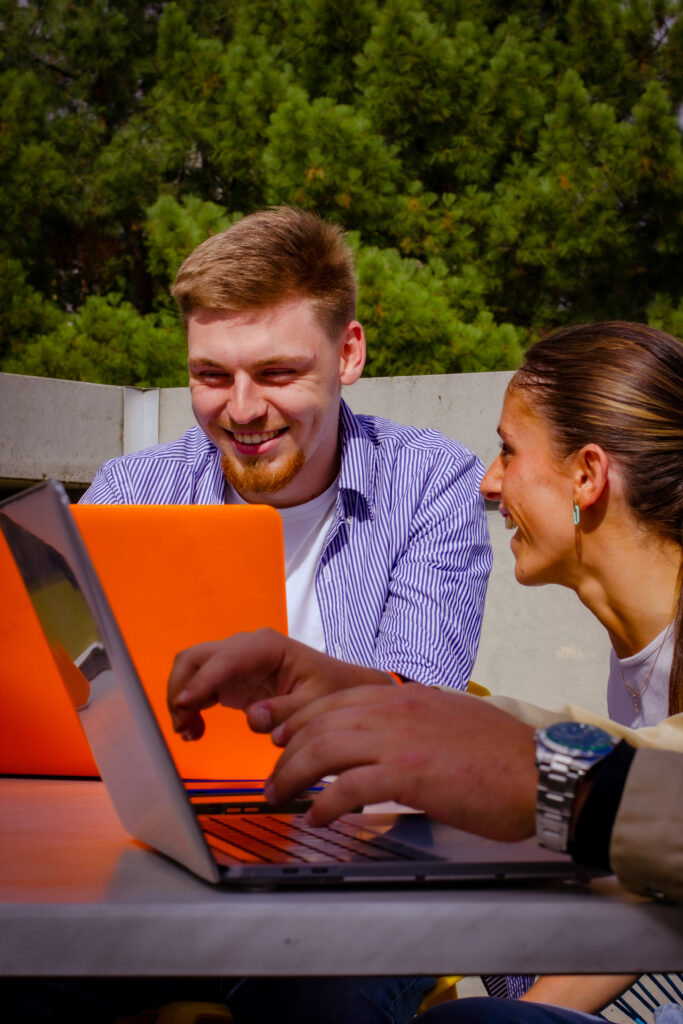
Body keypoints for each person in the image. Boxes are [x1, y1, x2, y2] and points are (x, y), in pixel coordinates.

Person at [167, 321, 683, 1017]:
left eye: (506, 451)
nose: (488, 480)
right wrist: (376, 695)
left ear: (586, 476)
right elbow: (652, 841)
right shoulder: (636, 653)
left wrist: (531, 772)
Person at [81, 205, 493, 1022]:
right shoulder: (129, 488)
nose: (239, 410)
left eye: (275, 374)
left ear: (349, 354)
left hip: (362, 860)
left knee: (312, 998)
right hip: (158, 852)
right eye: (210, 376)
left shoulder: (432, 485)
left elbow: (419, 717)